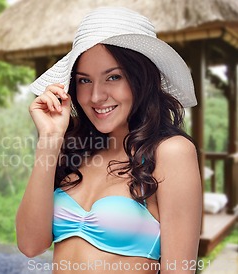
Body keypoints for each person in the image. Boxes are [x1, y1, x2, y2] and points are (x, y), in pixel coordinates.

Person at [16, 7, 202, 274]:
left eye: (113, 77)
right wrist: (49, 139)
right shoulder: (75, 151)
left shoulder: (171, 152)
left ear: (141, 79)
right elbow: (30, 244)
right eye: (84, 80)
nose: (95, 96)